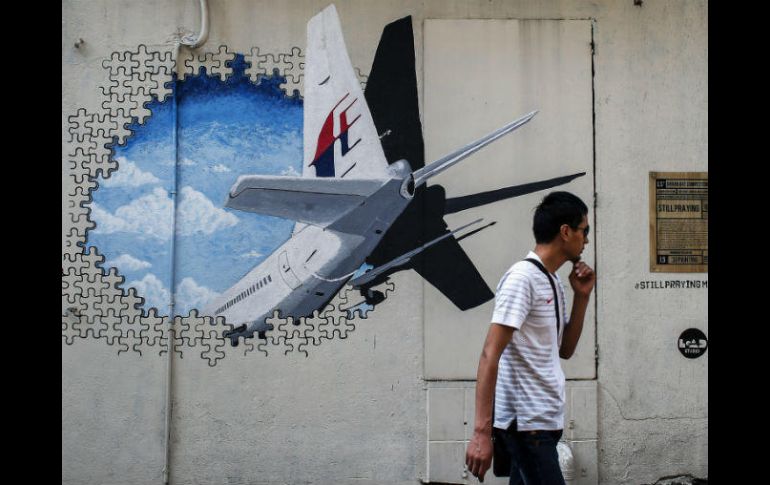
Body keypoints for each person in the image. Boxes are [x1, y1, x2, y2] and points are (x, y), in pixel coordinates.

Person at [465, 191, 596, 484]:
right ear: (565, 232)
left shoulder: (551, 280)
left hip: (543, 421)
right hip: (527, 426)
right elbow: (490, 354)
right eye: (584, 230)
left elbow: (564, 350)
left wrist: (582, 297)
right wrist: (481, 433)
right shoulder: (522, 278)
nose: (586, 240)